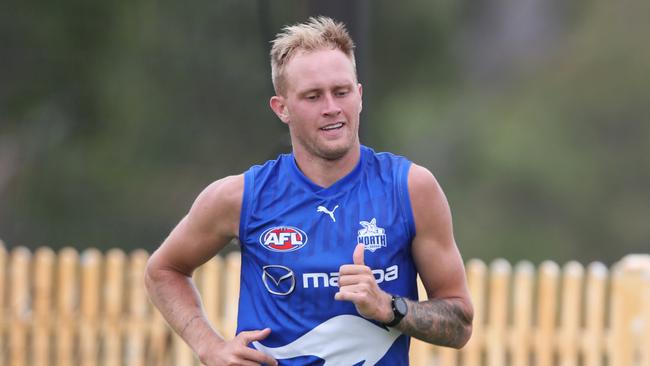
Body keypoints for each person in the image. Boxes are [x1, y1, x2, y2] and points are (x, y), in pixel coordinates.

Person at [145, 16, 473, 366]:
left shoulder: (410, 188)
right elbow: (163, 271)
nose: (331, 107)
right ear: (281, 108)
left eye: (341, 91)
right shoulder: (241, 197)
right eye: (313, 96)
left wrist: (388, 307)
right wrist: (209, 346)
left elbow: (460, 323)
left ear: (359, 96)